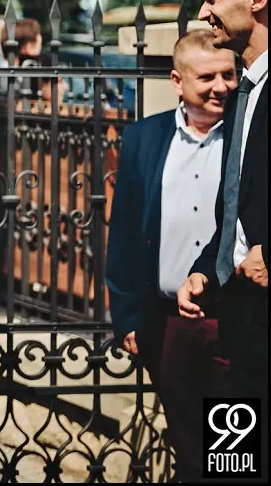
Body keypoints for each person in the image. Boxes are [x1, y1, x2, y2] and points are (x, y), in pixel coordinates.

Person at [105, 29, 236, 481]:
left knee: (234, 455)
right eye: (207, 77)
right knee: (189, 447)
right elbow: (123, 230)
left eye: (228, 75)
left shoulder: (247, 136)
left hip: (232, 321)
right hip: (166, 324)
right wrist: (126, 316)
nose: (221, 86)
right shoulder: (144, 137)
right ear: (178, 81)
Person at [178, 0, 269, 461]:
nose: (204, 11)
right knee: (233, 461)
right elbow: (238, 201)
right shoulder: (243, 92)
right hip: (238, 314)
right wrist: (204, 269)